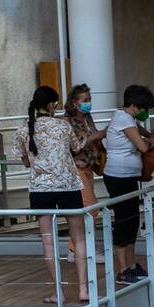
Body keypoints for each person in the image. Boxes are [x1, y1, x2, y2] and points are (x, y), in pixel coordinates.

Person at [17, 86, 101, 304]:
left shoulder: (24, 129)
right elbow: (76, 148)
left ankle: (59, 292)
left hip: (40, 190)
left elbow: (26, 161)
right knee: (79, 238)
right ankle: (83, 289)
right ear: (52, 105)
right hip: (68, 186)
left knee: (48, 243)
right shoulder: (63, 126)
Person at [103, 85, 154, 285]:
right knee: (123, 222)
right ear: (134, 105)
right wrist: (150, 142)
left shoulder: (127, 118)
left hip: (128, 177)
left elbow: (138, 130)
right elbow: (142, 147)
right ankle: (123, 269)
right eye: (144, 108)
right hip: (119, 177)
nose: (145, 112)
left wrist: (147, 134)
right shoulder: (124, 119)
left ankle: (132, 265)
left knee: (133, 221)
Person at [64, 84, 106, 224]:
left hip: (89, 166)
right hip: (77, 168)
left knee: (88, 206)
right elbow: (73, 146)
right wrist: (95, 136)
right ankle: (82, 238)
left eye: (90, 99)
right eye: (85, 100)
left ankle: (83, 237)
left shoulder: (88, 118)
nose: (89, 103)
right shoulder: (67, 121)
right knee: (90, 207)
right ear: (74, 103)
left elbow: (93, 135)